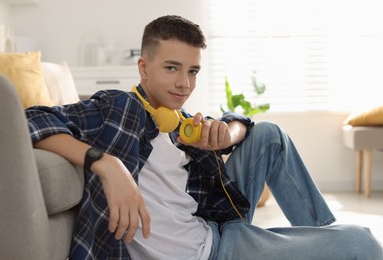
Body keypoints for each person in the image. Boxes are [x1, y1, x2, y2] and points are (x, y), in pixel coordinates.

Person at [26, 15, 382, 260]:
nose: (184, 83)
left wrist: (228, 135)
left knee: (270, 135)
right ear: (143, 68)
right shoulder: (116, 109)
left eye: (192, 71)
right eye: (171, 68)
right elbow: (30, 118)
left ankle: (323, 240)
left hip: (219, 229)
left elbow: (241, 122)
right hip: (216, 252)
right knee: (362, 243)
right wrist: (106, 164)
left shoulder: (180, 123)